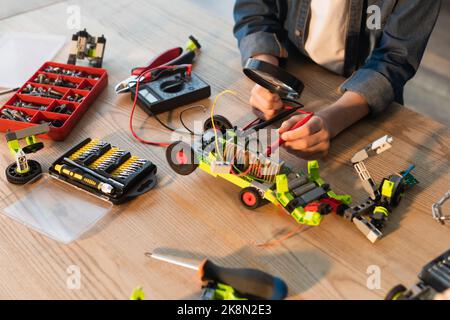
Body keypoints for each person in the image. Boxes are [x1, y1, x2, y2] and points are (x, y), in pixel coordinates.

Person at [233, 0, 441, 159]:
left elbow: (395, 59)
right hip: (294, 66)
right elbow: (255, 7)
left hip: (364, 105)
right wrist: (266, 71)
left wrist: (331, 122)